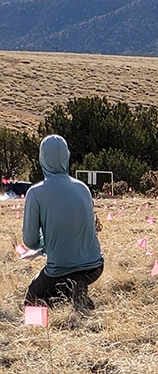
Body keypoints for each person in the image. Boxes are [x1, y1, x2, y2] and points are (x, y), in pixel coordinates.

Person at [22, 134, 104, 312]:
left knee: (32, 300)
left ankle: (72, 289)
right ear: (66, 156)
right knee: (68, 282)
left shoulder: (35, 193)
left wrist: (43, 244)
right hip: (95, 266)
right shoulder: (83, 188)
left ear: (42, 158)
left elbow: (30, 240)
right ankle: (77, 289)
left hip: (60, 269)